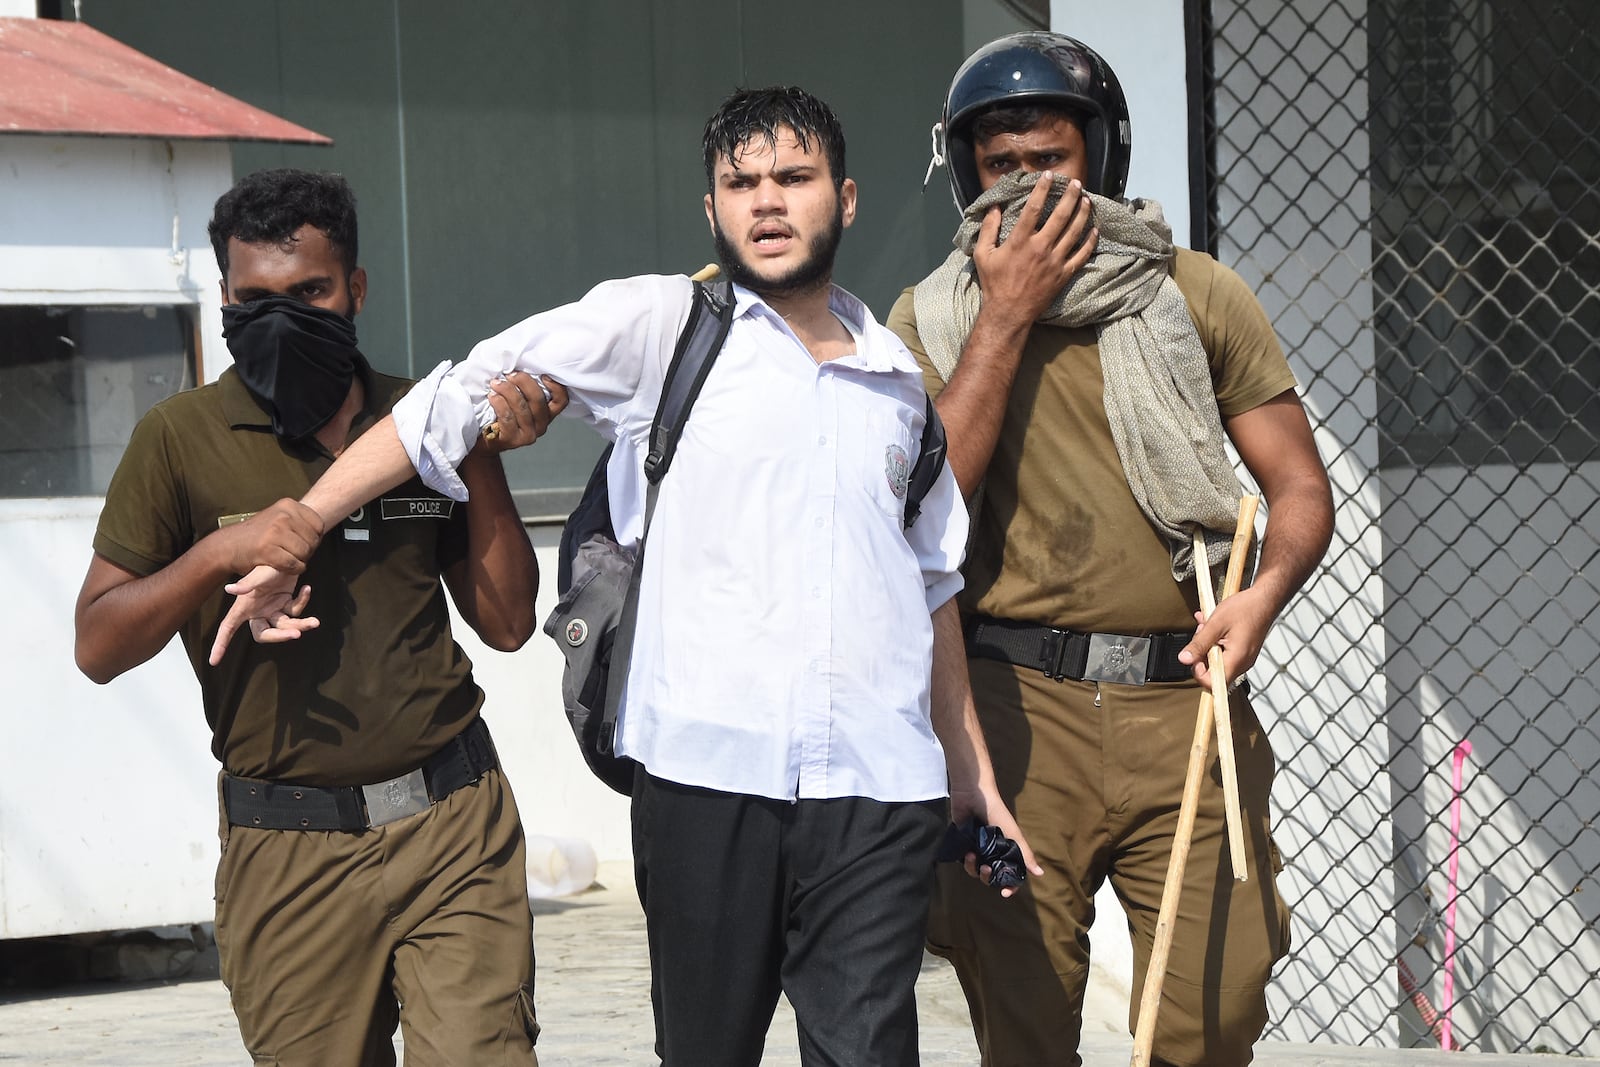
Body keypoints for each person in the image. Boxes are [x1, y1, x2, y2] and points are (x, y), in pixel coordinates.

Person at [212, 88, 1039, 1067]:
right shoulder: (660, 328)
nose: (765, 202)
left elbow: (929, 585)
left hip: (873, 788)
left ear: (846, 199)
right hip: (706, 782)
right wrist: (305, 521)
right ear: (711, 211)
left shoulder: (896, 379)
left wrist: (971, 777)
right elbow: (450, 401)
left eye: (792, 178)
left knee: (867, 1050)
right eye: (739, 183)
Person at [886, 32, 1336, 1067]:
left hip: (1185, 703)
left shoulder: (1195, 294)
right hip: (1010, 714)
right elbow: (927, 500)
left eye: (1051, 160)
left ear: (1101, 157)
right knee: (1025, 1027)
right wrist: (1006, 314)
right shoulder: (935, 313)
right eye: (1003, 168)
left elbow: (1299, 488)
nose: (1028, 188)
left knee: (1210, 1017)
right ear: (967, 175)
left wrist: (1260, 599)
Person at [73, 168, 555, 1066]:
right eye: (254, 299)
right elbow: (97, 643)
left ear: (356, 290)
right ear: (223, 297)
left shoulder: (419, 417)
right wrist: (221, 553)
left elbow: (510, 621)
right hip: (286, 850)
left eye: (310, 292)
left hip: (452, 824)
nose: (283, 317)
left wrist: (475, 444)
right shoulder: (178, 439)